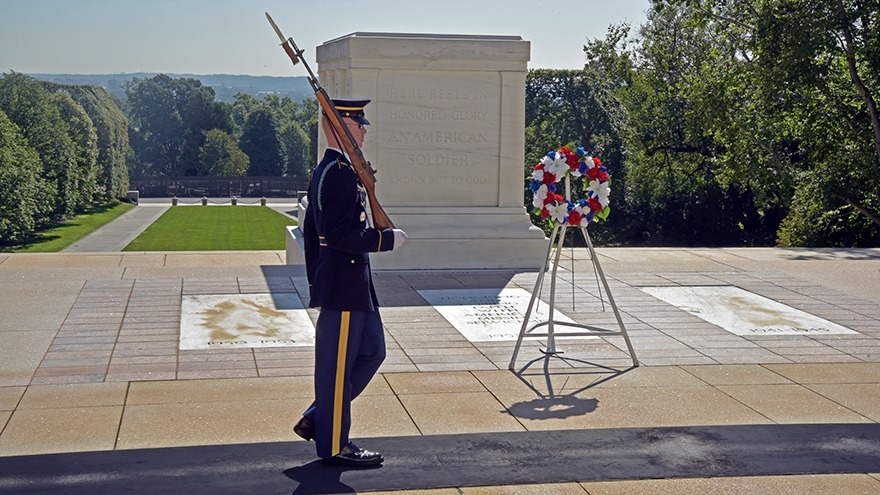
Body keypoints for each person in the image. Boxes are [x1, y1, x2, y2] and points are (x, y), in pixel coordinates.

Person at [295, 98, 407, 467]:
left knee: (374, 351)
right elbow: (337, 234)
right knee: (337, 368)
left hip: (355, 285)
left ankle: (318, 415)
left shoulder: (342, 170)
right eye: (358, 125)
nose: (364, 130)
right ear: (340, 128)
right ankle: (332, 444)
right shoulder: (337, 174)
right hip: (344, 288)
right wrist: (384, 240)